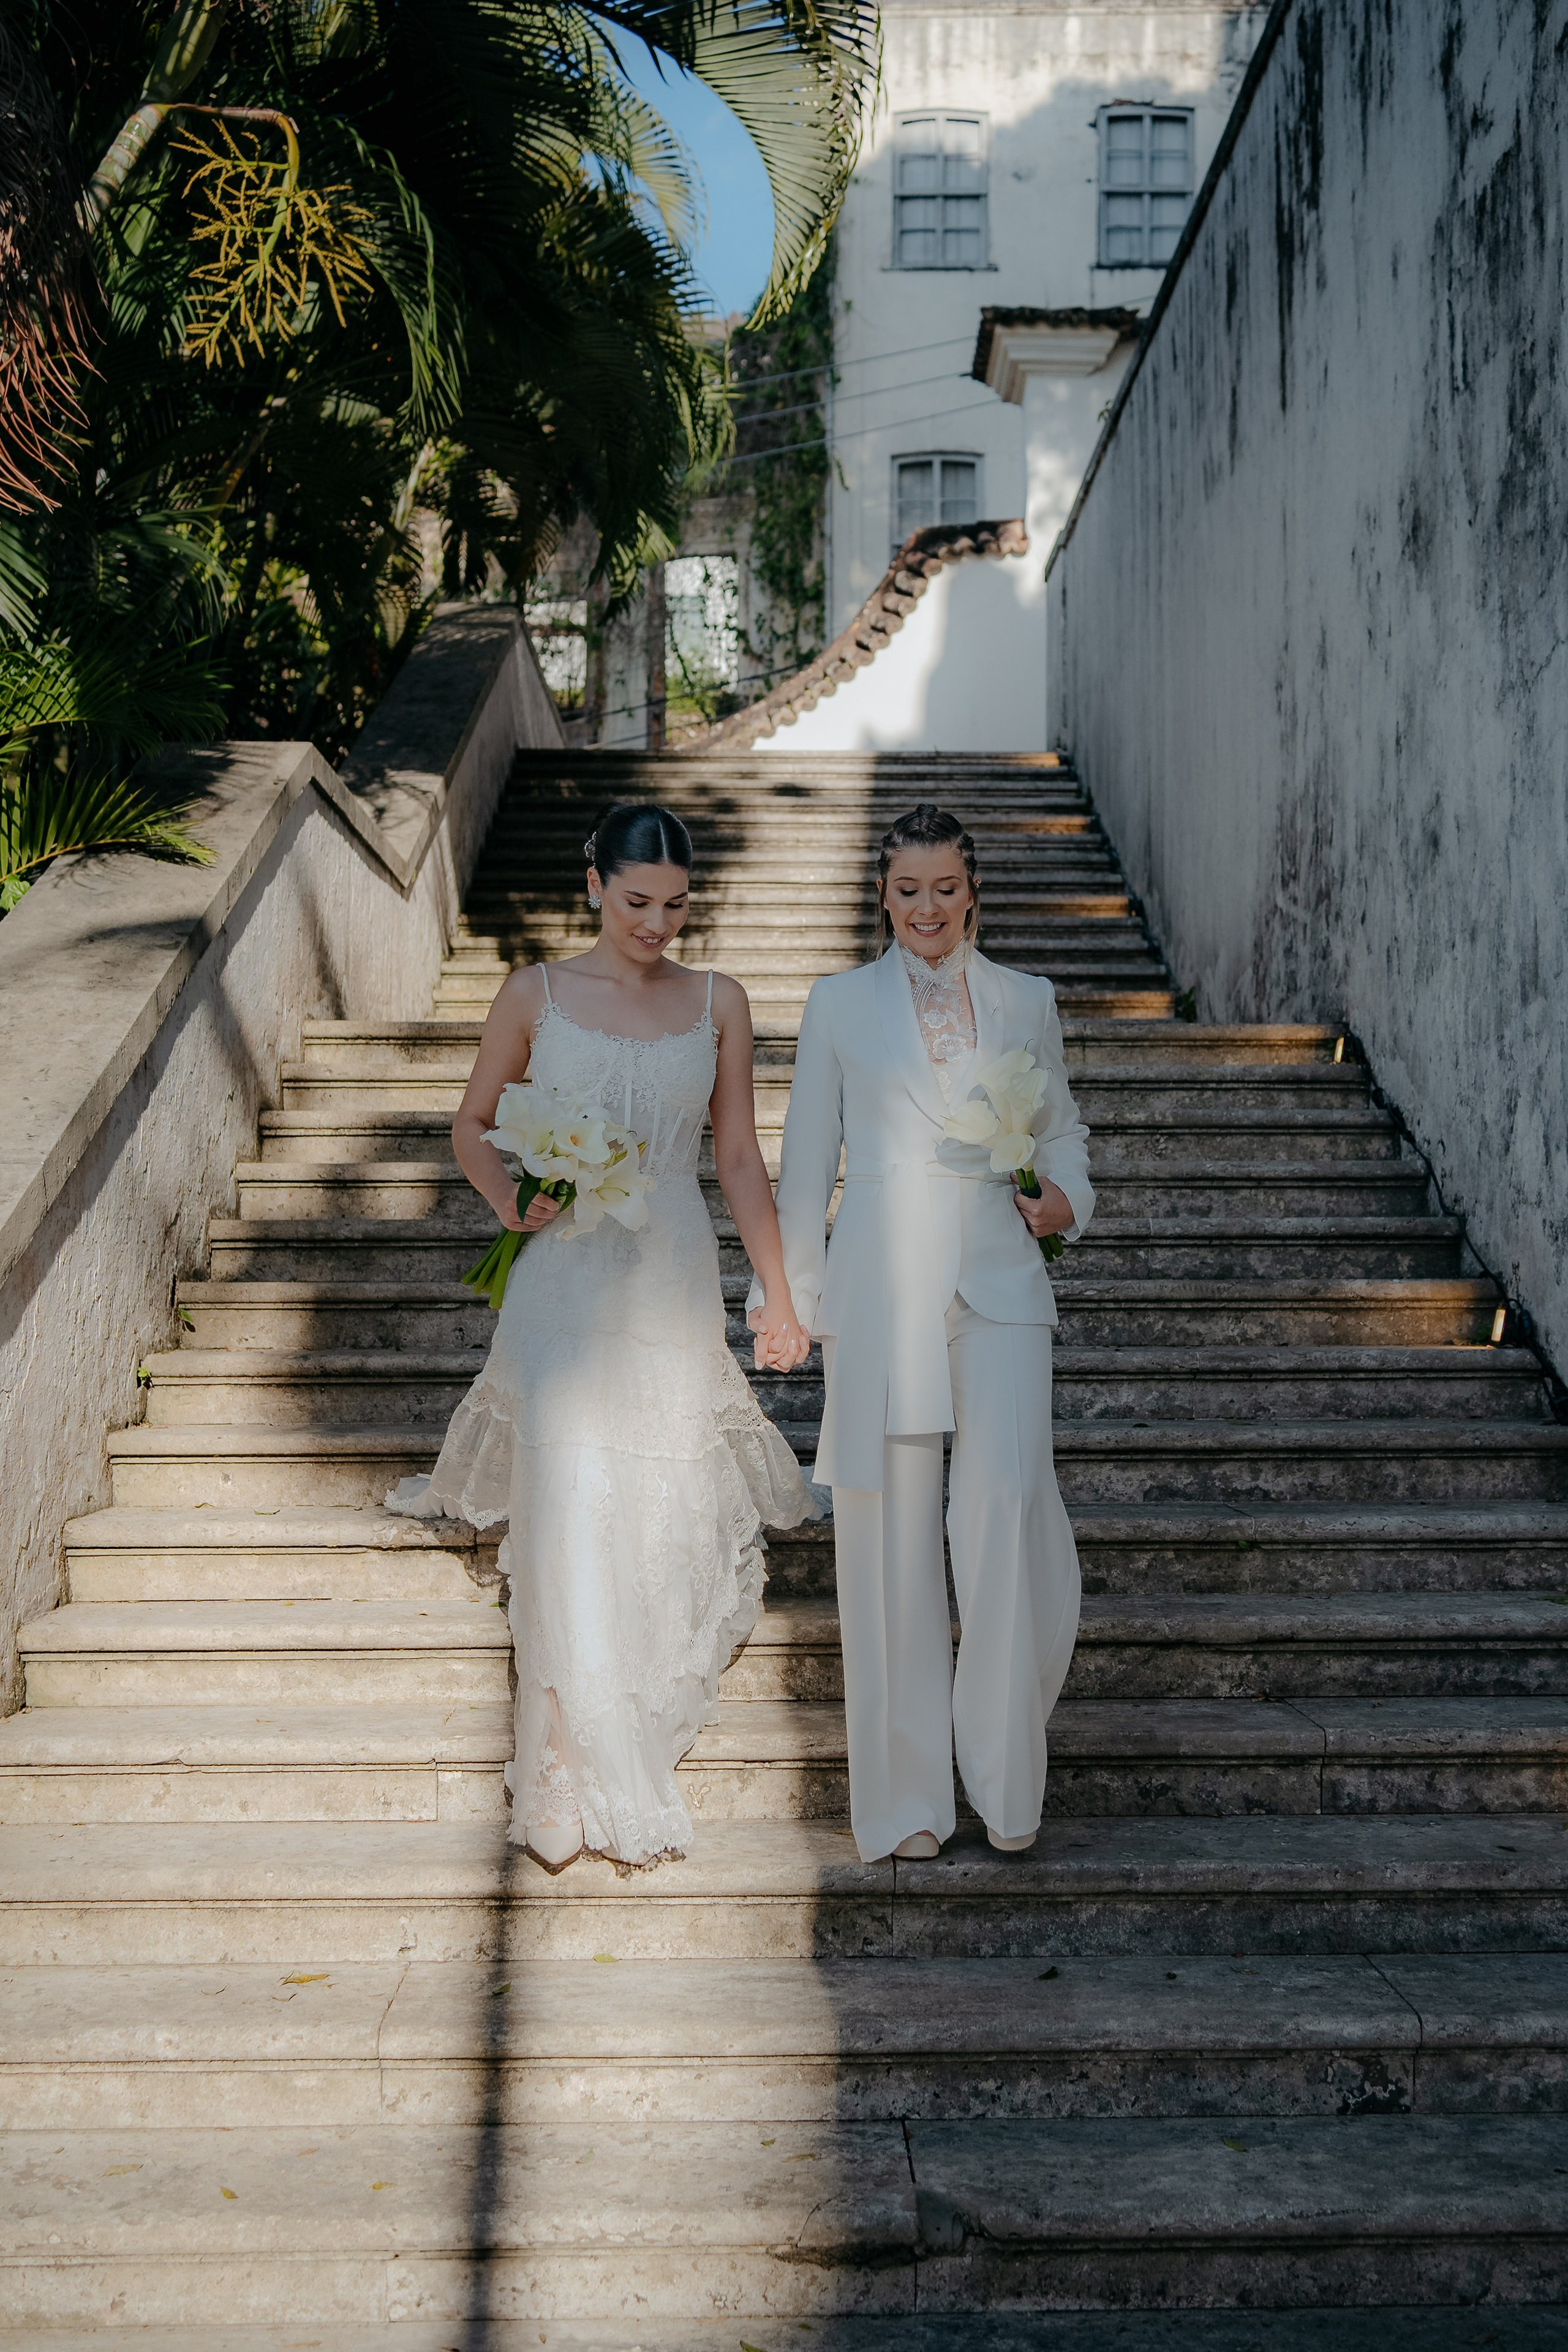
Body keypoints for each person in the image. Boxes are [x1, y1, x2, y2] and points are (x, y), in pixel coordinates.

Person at [388, 803, 814, 1873]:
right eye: (636, 903)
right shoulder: (534, 992)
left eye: (675, 906)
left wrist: (779, 1291)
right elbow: (472, 1120)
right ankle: (562, 1763)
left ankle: (629, 1713)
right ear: (593, 887)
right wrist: (507, 1198)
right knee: (571, 1499)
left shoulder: (720, 1001)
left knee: (662, 1506)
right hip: (566, 1272)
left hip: (669, 1264)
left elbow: (739, 1156)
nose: (657, 924)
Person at [752, 802, 1093, 1864]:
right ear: (883, 895)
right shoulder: (839, 1005)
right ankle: (905, 1802)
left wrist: (1062, 1200)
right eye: (908, 891)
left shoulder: (1028, 1001)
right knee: (889, 1542)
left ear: (973, 890)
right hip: (881, 1288)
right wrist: (788, 1298)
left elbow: (1065, 1129)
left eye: (945, 889)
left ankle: (1005, 1780)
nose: (927, 909)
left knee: (1004, 1511)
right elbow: (806, 1160)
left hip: (1000, 1284)